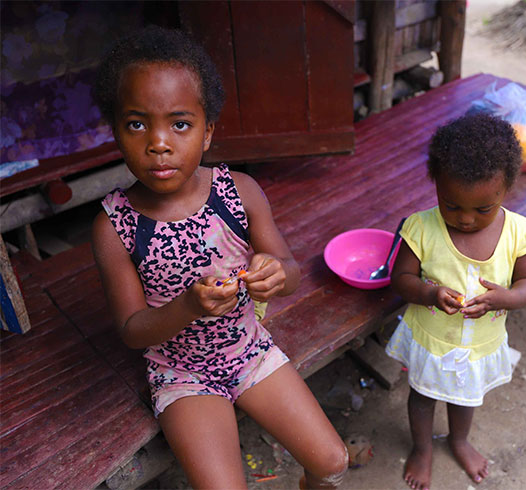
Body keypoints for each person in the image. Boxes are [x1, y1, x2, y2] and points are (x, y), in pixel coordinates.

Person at [91, 25, 348, 489]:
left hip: (249, 350)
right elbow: (131, 331)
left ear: (208, 132)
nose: (159, 142)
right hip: (181, 373)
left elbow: (289, 272)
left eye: (180, 123)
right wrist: (187, 306)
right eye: (137, 124)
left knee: (332, 461)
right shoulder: (114, 226)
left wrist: (274, 274)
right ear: (116, 132)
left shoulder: (238, 192)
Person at [385, 113, 526, 490]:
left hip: (479, 345)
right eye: (451, 205)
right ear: (435, 185)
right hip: (432, 340)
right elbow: (401, 279)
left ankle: (458, 440)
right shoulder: (421, 228)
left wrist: (508, 297)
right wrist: (428, 293)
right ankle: (422, 448)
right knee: (422, 396)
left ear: (506, 189)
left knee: (465, 397)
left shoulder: (519, 234)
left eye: (482, 209)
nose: (466, 219)